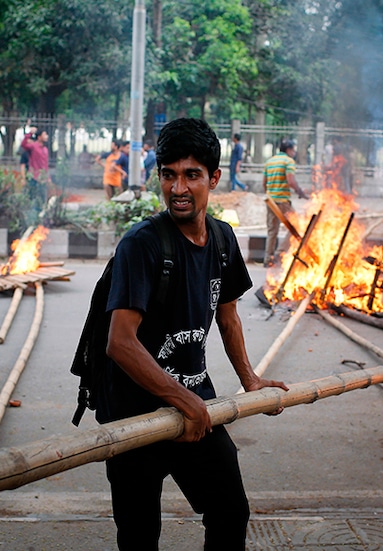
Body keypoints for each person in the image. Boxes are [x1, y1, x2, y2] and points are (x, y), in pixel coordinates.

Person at [102, 117, 288, 550]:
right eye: (168, 175)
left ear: (214, 178)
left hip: (196, 405)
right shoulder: (141, 244)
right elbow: (120, 342)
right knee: (139, 536)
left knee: (230, 512)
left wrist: (250, 380)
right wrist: (182, 399)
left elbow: (228, 316)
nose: (178, 188)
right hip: (134, 414)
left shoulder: (222, 240)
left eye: (191, 175)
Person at [263, 140, 308, 267]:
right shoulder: (288, 161)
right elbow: (291, 181)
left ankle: (268, 259)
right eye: (293, 150)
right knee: (296, 226)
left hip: (270, 201)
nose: (294, 153)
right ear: (288, 150)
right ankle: (279, 254)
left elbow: (264, 182)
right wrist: (300, 192)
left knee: (272, 231)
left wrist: (270, 194)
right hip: (283, 201)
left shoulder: (270, 161)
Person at [20, 126, 51, 205]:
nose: (47, 136)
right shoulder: (33, 146)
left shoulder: (45, 149)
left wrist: (48, 177)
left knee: (42, 199)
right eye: (45, 134)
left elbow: (45, 165)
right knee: (31, 198)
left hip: (43, 178)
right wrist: (30, 133)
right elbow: (23, 144)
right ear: (39, 137)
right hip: (34, 177)